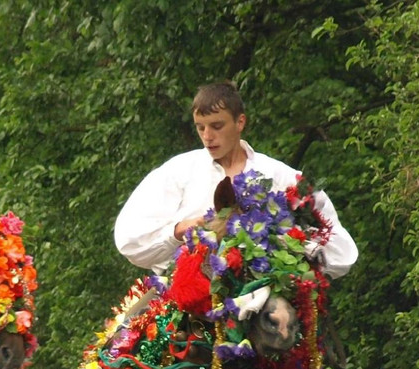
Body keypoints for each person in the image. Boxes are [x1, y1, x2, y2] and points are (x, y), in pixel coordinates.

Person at [114, 80, 357, 277]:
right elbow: (129, 240)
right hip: (189, 313)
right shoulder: (178, 172)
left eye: (217, 126)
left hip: (266, 310)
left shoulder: (280, 176)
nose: (208, 136)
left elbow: (340, 249)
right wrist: (179, 230)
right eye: (200, 127)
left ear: (240, 122)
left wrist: (287, 245)